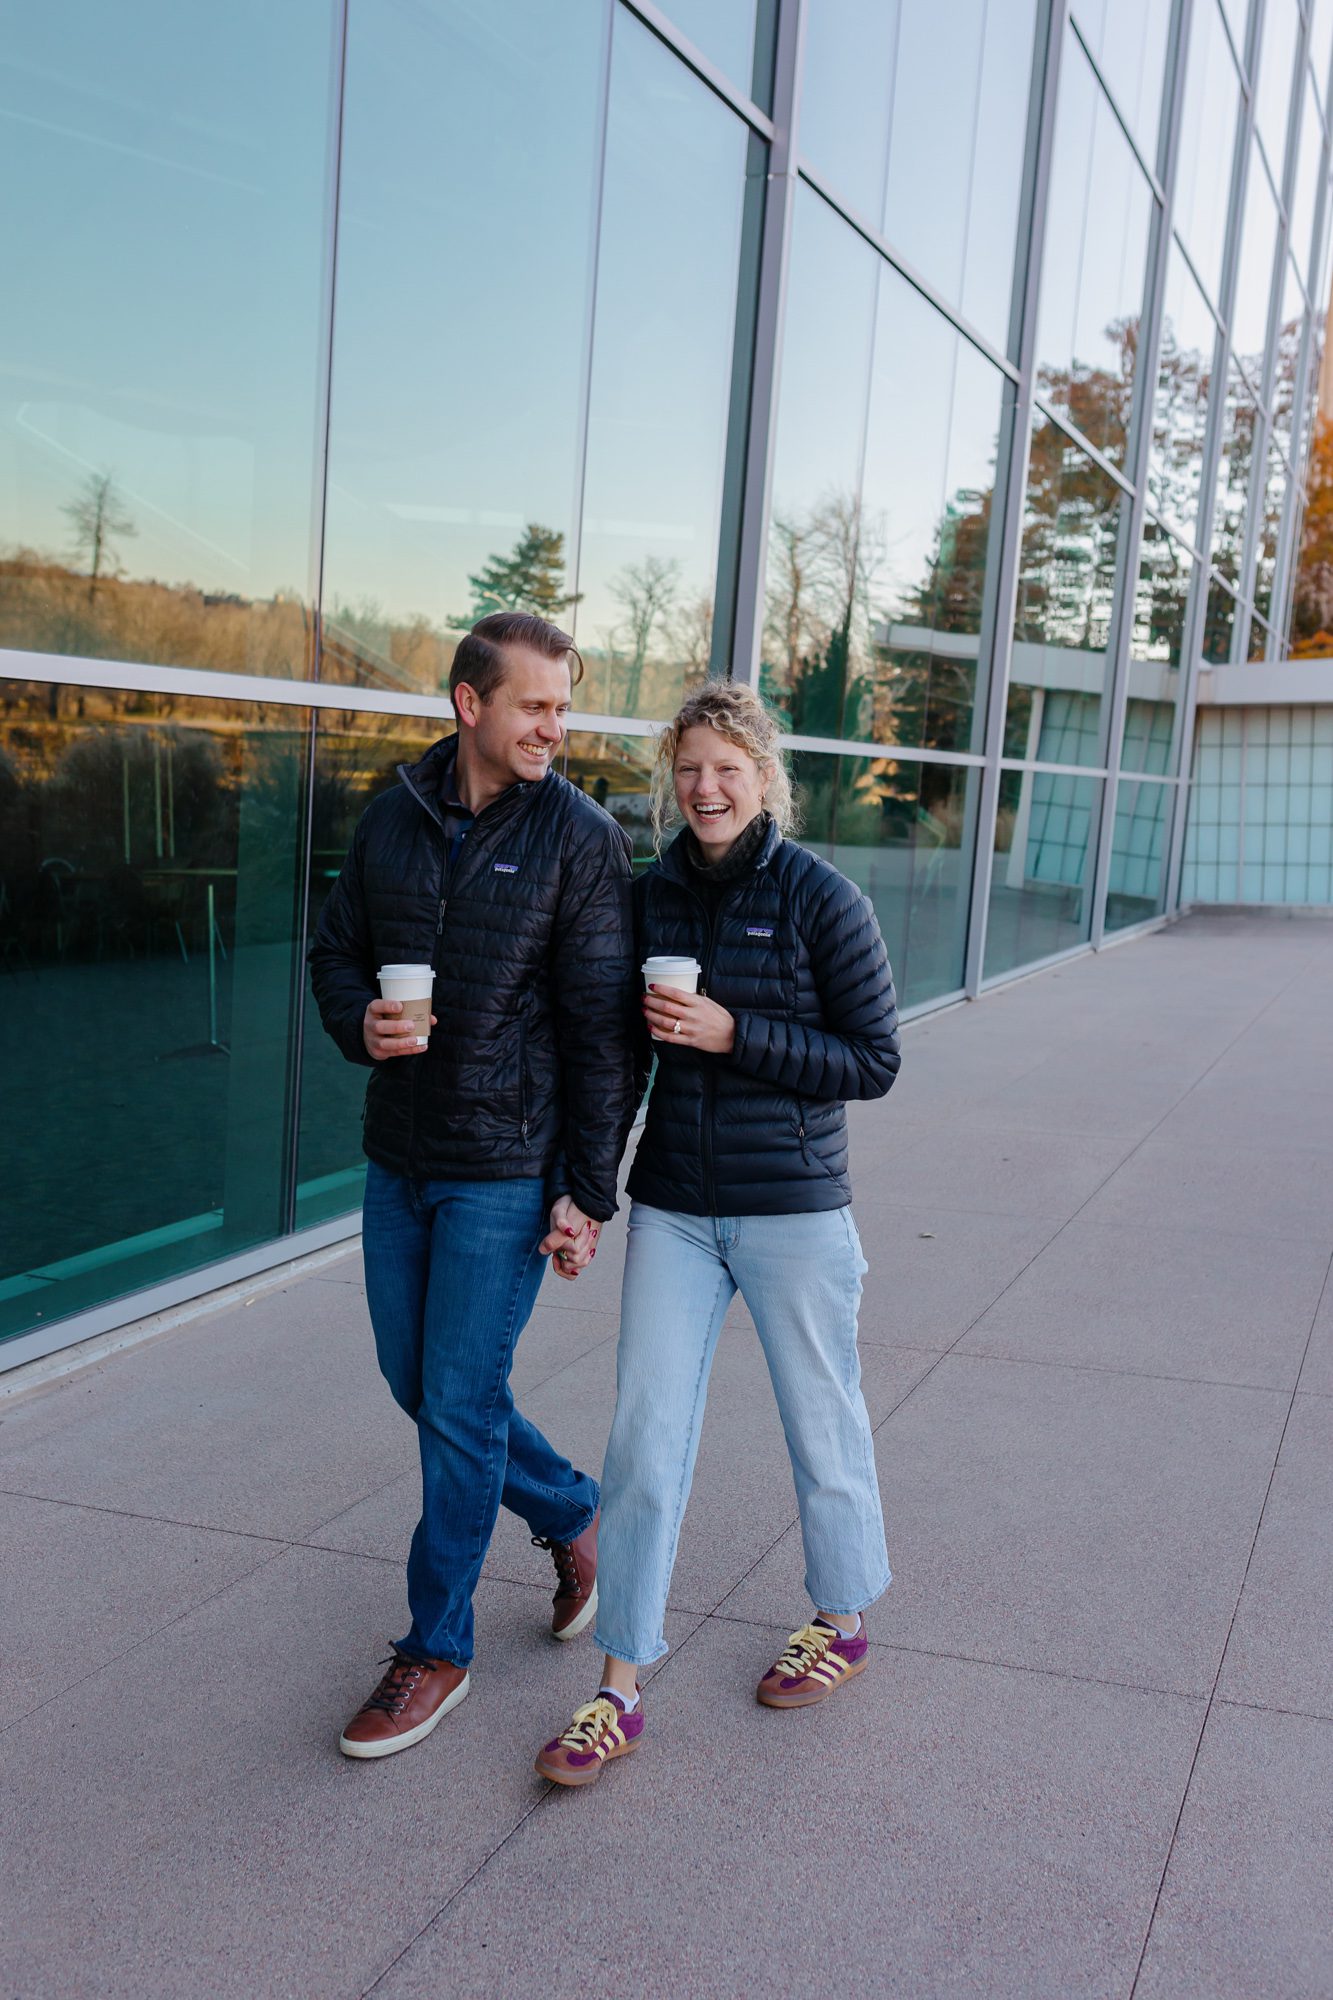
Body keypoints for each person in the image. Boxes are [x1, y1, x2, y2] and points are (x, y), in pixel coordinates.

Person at [534, 680, 901, 1787]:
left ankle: (839, 1618)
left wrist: (736, 1032)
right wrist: (586, 1193)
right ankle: (616, 1688)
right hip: (678, 1210)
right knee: (643, 1437)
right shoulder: (650, 901)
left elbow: (873, 1060)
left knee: (819, 1421)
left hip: (794, 1206)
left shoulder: (822, 898)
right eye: (688, 767)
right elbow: (614, 1058)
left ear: (762, 776)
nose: (705, 786)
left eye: (726, 767)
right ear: (671, 781)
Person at [310, 610, 636, 1760]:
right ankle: (569, 1509)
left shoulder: (581, 838)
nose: (557, 724)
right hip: (399, 1158)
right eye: (534, 704)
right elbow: (333, 947)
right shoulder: (388, 816)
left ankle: (436, 1646)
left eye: (563, 704)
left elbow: (604, 1037)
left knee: (455, 1398)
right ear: (468, 704)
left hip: (506, 1168)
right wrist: (361, 1017)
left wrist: (587, 1191)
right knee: (420, 1381)